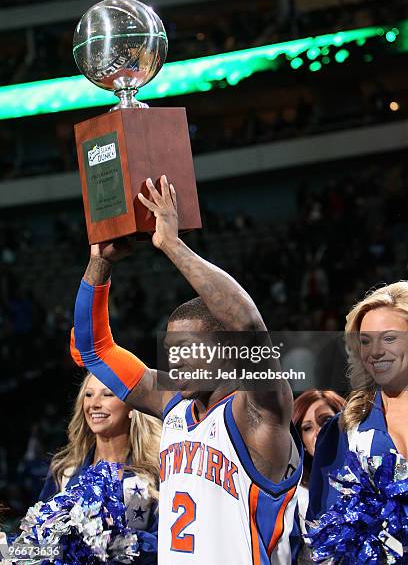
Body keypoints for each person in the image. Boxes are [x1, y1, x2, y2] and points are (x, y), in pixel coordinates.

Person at [71, 175, 303, 564]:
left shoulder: (259, 411)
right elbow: (94, 350)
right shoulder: (172, 403)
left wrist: (172, 245)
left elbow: (248, 325)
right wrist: (100, 263)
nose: (176, 360)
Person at [308, 282, 408, 523]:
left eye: (389, 338)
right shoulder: (342, 430)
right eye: (365, 341)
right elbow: (324, 526)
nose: (375, 351)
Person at [40, 373, 162, 564]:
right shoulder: (65, 472)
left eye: (107, 394)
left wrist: (116, 541)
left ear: (133, 406)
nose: (94, 404)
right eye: (88, 395)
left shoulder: (154, 474)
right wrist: (7, 548)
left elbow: (169, 548)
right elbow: (39, 544)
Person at [292, 390, 345, 563]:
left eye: (327, 421)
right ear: (302, 442)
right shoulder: (296, 497)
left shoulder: (373, 476)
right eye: (307, 428)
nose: (319, 432)